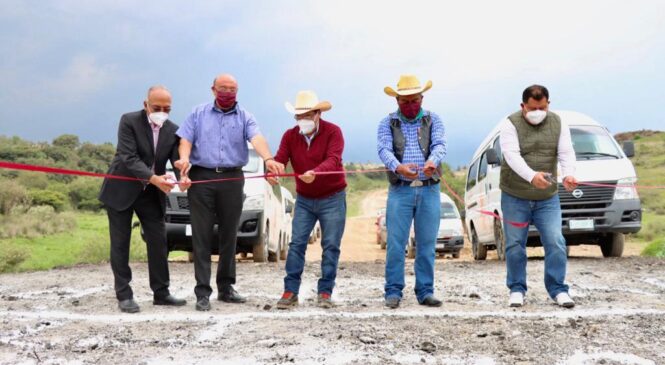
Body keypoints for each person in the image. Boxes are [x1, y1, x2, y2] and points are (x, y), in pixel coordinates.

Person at [175, 74, 284, 311]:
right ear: (213, 90)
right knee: (201, 236)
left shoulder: (245, 116)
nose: (227, 93)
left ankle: (226, 288)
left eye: (232, 89)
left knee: (229, 235)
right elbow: (185, 139)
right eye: (223, 88)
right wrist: (184, 159)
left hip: (233, 178)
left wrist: (269, 159)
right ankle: (202, 292)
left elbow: (257, 138)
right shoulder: (197, 113)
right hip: (201, 177)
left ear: (238, 91)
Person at [98, 85, 186, 313]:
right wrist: (154, 178)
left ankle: (161, 292)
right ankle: (124, 295)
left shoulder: (174, 130)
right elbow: (128, 157)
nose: (162, 112)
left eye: (167, 109)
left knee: (158, 241)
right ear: (145, 104)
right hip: (121, 190)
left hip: (151, 194)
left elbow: (177, 162)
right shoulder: (128, 121)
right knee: (120, 243)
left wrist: (183, 177)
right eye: (157, 107)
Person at [499, 84, 578, 308]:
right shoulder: (509, 124)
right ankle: (516, 289)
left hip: (547, 198)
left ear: (548, 104)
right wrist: (532, 176)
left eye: (542, 108)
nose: (537, 112)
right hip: (515, 195)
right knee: (515, 244)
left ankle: (558, 289)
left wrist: (570, 174)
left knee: (556, 241)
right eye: (532, 108)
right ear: (522, 106)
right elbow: (512, 156)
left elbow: (565, 152)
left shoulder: (558, 122)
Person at [271, 90, 347, 310]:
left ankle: (325, 292)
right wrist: (273, 172)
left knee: (331, 245)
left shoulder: (334, 132)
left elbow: (334, 159)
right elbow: (280, 159)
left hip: (333, 197)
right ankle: (290, 291)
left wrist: (316, 171)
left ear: (317, 114)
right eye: (298, 116)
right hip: (304, 199)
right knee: (296, 244)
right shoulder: (289, 136)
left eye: (306, 115)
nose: (301, 120)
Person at [377, 74, 447, 309]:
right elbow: (384, 150)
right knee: (396, 244)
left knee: (427, 243)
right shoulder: (386, 123)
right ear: (396, 101)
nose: (409, 105)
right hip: (400, 189)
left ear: (422, 98)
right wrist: (398, 167)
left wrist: (432, 161)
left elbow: (439, 145)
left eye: (414, 101)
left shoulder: (434, 119)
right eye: (404, 101)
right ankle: (393, 291)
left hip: (429, 188)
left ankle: (425, 291)